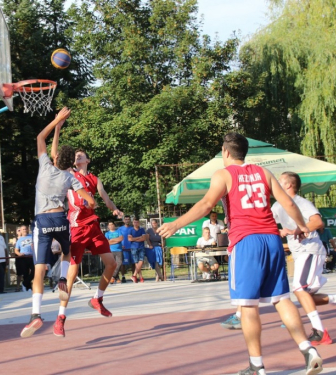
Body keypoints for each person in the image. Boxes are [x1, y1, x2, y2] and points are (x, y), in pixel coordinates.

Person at [157, 133, 323, 375]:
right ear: (245, 152)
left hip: (246, 242)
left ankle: (256, 366)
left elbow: (205, 205)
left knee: (248, 307)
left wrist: (176, 224)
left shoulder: (223, 175)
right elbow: (288, 202)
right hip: (272, 239)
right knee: (282, 299)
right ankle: (308, 349)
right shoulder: (263, 173)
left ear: (225, 152)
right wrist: (303, 225)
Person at [20, 107, 96, 338]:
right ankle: (63, 277)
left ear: (54, 159)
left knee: (39, 271)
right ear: (69, 162)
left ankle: (35, 315)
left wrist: (56, 122)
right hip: (60, 219)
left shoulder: (44, 166)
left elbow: (39, 138)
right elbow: (91, 202)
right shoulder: (70, 177)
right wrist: (85, 204)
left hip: (42, 221)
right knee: (67, 251)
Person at [51, 124, 122, 336]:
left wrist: (115, 209)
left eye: (80, 155)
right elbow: (55, 156)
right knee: (69, 276)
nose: (76, 156)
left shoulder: (94, 179)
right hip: (76, 229)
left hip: (93, 226)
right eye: (75, 155)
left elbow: (105, 198)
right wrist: (56, 129)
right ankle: (60, 317)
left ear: (87, 160)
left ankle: (97, 299)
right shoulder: (68, 174)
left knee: (112, 264)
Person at [272, 171, 336, 346]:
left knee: (300, 289)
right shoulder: (278, 205)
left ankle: (319, 331)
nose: (277, 183)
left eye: (280, 180)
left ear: (289, 185)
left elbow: (317, 222)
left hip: (310, 250)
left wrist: (295, 230)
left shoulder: (301, 203)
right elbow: (268, 223)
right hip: (300, 252)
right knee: (304, 295)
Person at [14, 225, 34, 292]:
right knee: (25, 273)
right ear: (21, 231)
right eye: (23, 229)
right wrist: (20, 254)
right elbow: (16, 250)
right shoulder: (19, 240)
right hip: (24, 257)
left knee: (34, 271)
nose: (25, 230)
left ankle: (24, 283)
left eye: (25, 229)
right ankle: (28, 288)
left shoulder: (31, 236)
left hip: (31, 256)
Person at [128, 218, 146, 283]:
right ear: (133, 223)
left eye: (137, 222)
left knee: (141, 261)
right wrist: (138, 238)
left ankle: (134, 275)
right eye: (134, 222)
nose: (136, 223)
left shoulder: (142, 229)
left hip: (141, 247)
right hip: (134, 247)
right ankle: (141, 277)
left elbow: (143, 238)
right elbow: (130, 239)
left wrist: (134, 239)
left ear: (139, 223)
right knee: (136, 262)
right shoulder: (131, 230)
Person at [118, 216, 134, 283]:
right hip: (124, 249)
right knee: (123, 264)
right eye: (126, 219)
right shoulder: (120, 229)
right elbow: (118, 238)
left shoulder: (132, 228)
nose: (127, 220)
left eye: (128, 219)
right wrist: (121, 245)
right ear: (123, 220)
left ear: (130, 220)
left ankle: (134, 276)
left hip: (132, 248)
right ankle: (123, 276)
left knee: (134, 263)